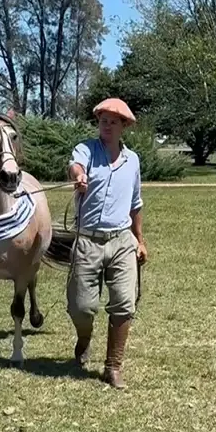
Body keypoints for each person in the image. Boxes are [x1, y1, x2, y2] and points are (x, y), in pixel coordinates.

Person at [67, 98, 147, 389]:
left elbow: (136, 203)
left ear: (124, 126)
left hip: (122, 240)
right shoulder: (87, 150)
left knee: (124, 303)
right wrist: (79, 177)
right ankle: (84, 338)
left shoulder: (133, 160)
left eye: (114, 121)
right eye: (103, 120)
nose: (107, 125)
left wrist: (140, 241)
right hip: (88, 240)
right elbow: (75, 165)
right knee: (82, 308)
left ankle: (113, 366)